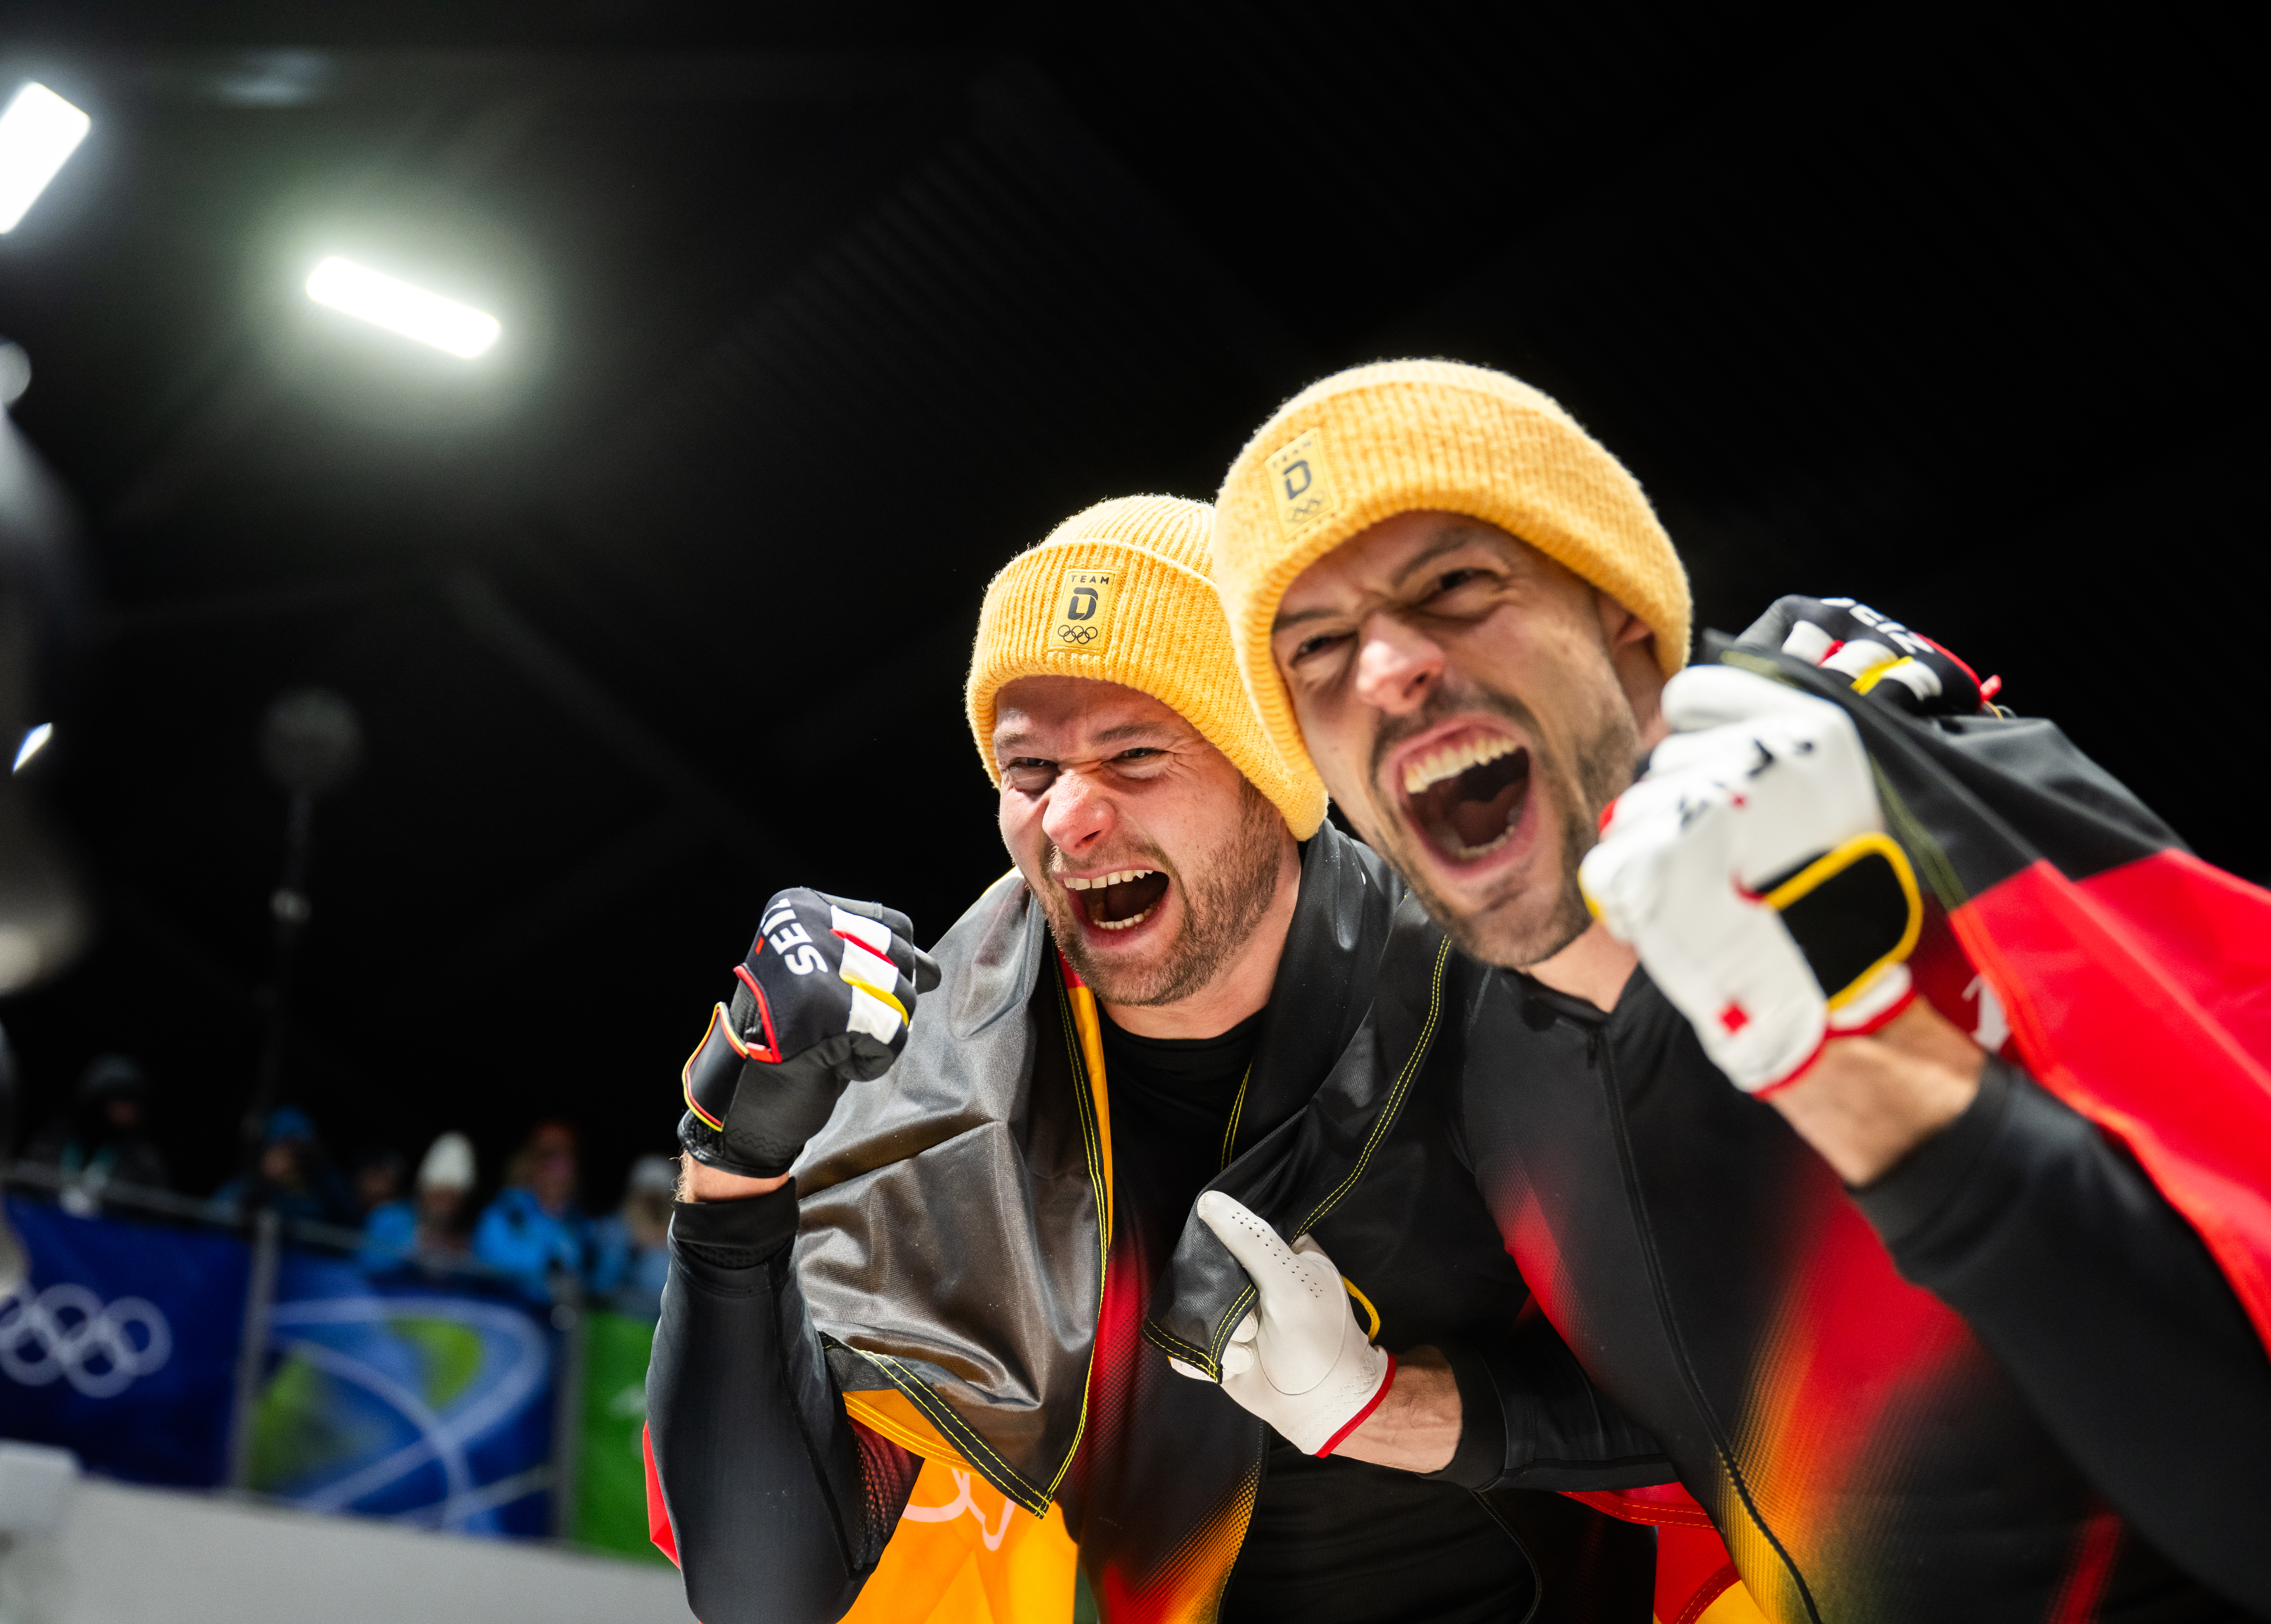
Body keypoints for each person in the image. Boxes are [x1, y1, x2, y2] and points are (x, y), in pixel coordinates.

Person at [1191, 359, 2271, 1619]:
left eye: (1453, 583)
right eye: (1313, 649)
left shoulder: (1909, 817)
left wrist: (1865, 1052)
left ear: (1625, 621)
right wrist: (1404, 1411)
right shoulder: (1474, 1050)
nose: (1384, 667)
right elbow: (1743, 1421)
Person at [647, 498, 1671, 1624]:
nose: (1069, 818)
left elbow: (1785, 1403)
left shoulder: (1497, 989)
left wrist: (1390, 1409)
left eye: (1135, 753)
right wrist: (731, 1172)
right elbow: (768, 1586)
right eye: (1027, 767)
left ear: (1272, 763)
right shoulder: (946, 1067)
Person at [23, 1054, 172, 1191]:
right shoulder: (51, 1146)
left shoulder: (144, 1164)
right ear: (97, 1101)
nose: (129, 1111)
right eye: (121, 1101)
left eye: (134, 1104)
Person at [472, 1121, 587, 1300]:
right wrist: (551, 1263)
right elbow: (493, 1256)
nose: (554, 1166)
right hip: (504, 1314)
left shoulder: (582, 1224)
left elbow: (601, 1281)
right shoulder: (505, 1212)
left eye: (564, 1158)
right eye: (545, 1155)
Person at [210, 1106, 353, 1225]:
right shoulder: (238, 1190)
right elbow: (216, 1232)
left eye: (298, 1150)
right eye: (284, 1146)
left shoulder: (324, 1187)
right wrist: (265, 1184)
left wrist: (293, 1182)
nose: (291, 1158)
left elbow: (348, 1222)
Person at [362, 1131, 476, 1267]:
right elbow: (368, 1264)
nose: (445, 1205)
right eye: (439, 1195)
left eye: (453, 1198)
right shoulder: (386, 1218)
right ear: (424, 1192)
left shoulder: (465, 1240)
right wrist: (416, 1245)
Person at [586, 1155, 674, 1321]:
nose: (652, 1204)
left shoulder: (681, 1238)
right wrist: (632, 1247)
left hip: (662, 1327)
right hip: (617, 1321)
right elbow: (601, 1285)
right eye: (647, 1194)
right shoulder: (613, 1229)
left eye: (660, 1196)